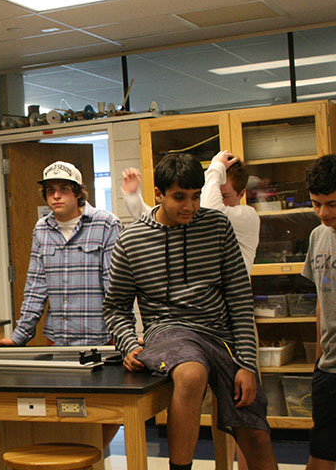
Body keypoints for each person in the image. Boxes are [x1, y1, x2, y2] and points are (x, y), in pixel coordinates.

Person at [103, 153, 277, 470]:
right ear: (158, 193)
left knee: (257, 438)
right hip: (167, 331)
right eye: (179, 197)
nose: (190, 207)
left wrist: (247, 363)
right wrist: (129, 343)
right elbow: (115, 307)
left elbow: (238, 298)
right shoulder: (131, 239)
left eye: (196, 197)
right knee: (191, 373)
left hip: (220, 336)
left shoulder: (217, 226)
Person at [0, 161, 122, 347]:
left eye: (64, 189)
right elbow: (35, 288)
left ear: (78, 192)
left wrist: (124, 339)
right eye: (50, 190)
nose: (56, 196)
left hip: (102, 338)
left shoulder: (106, 224)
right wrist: (19, 337)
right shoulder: (42, 229)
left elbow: (115, 287)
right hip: (58, 340)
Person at [122, 149, 259, 274]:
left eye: (224, 196)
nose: (190, 206)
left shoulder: (248, 216)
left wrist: (215, 169)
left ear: (241, 194)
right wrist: (132, 196)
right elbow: (156, 219)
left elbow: (212, 210)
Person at [302, 154, 336, 470]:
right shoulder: (318, 236)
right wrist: (319, 354)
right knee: (322, 453)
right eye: (316, 204)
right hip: (328, 368)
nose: (323, 213)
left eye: (332, 204)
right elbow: (320, 299)